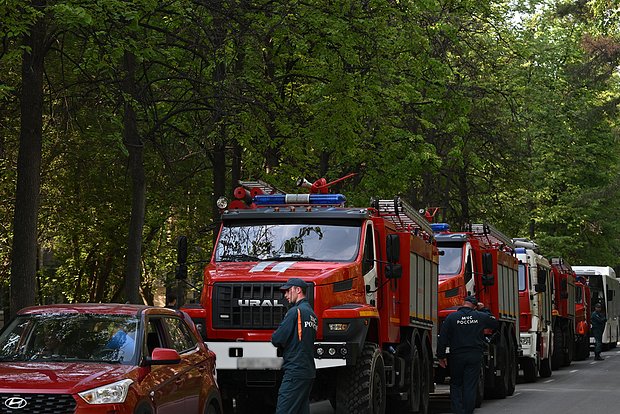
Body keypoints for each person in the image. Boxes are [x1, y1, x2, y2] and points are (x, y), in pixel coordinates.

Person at [436, 295, 499, 414]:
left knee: (456, 383)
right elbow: (494, 323)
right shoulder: (479, 316)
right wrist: (484, 309)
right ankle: (468, 411)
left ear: (463, 304)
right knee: (470, 385)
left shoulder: (451, 318)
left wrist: (441, 356)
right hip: (474, 355)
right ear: (474, 306)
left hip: (457, 355)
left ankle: (457, 410)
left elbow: (442, 338)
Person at [271, 278, 318, 414]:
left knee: (283, 410)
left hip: (294, 371)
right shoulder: (312, 315)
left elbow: (277, 338)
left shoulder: (294, 312)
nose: (285, 295)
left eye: (288, 290)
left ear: (298, 290)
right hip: (308, 372)